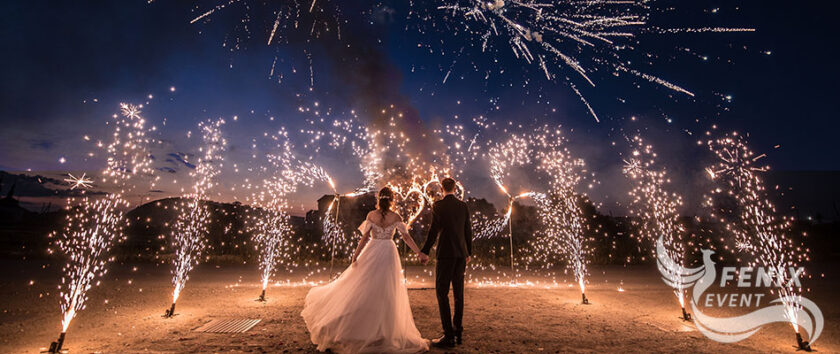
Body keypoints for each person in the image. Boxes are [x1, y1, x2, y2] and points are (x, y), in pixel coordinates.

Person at [301, 187, 430, 353]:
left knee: (365, 286)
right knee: (387, 290)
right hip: (389, 252)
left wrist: (355, 255)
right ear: (392, 200)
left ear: (379, 199)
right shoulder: (396, 217)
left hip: (372, 250)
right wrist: (419, 253)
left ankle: (365, 328)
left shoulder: (371, 215)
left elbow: (365, 238)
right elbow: (406, 237)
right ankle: (383, 329)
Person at [420, 177, 472, 348]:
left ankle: (448, 335)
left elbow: (433, 231)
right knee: (458, 294)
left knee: (442, 293)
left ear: (442, 189)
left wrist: (425, 250)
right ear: (455, 189)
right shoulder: (463, 206)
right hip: (461, 255)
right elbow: (467, 230)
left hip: (445, 254)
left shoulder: (438, 206)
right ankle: (458, 331)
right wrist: (468, 252)